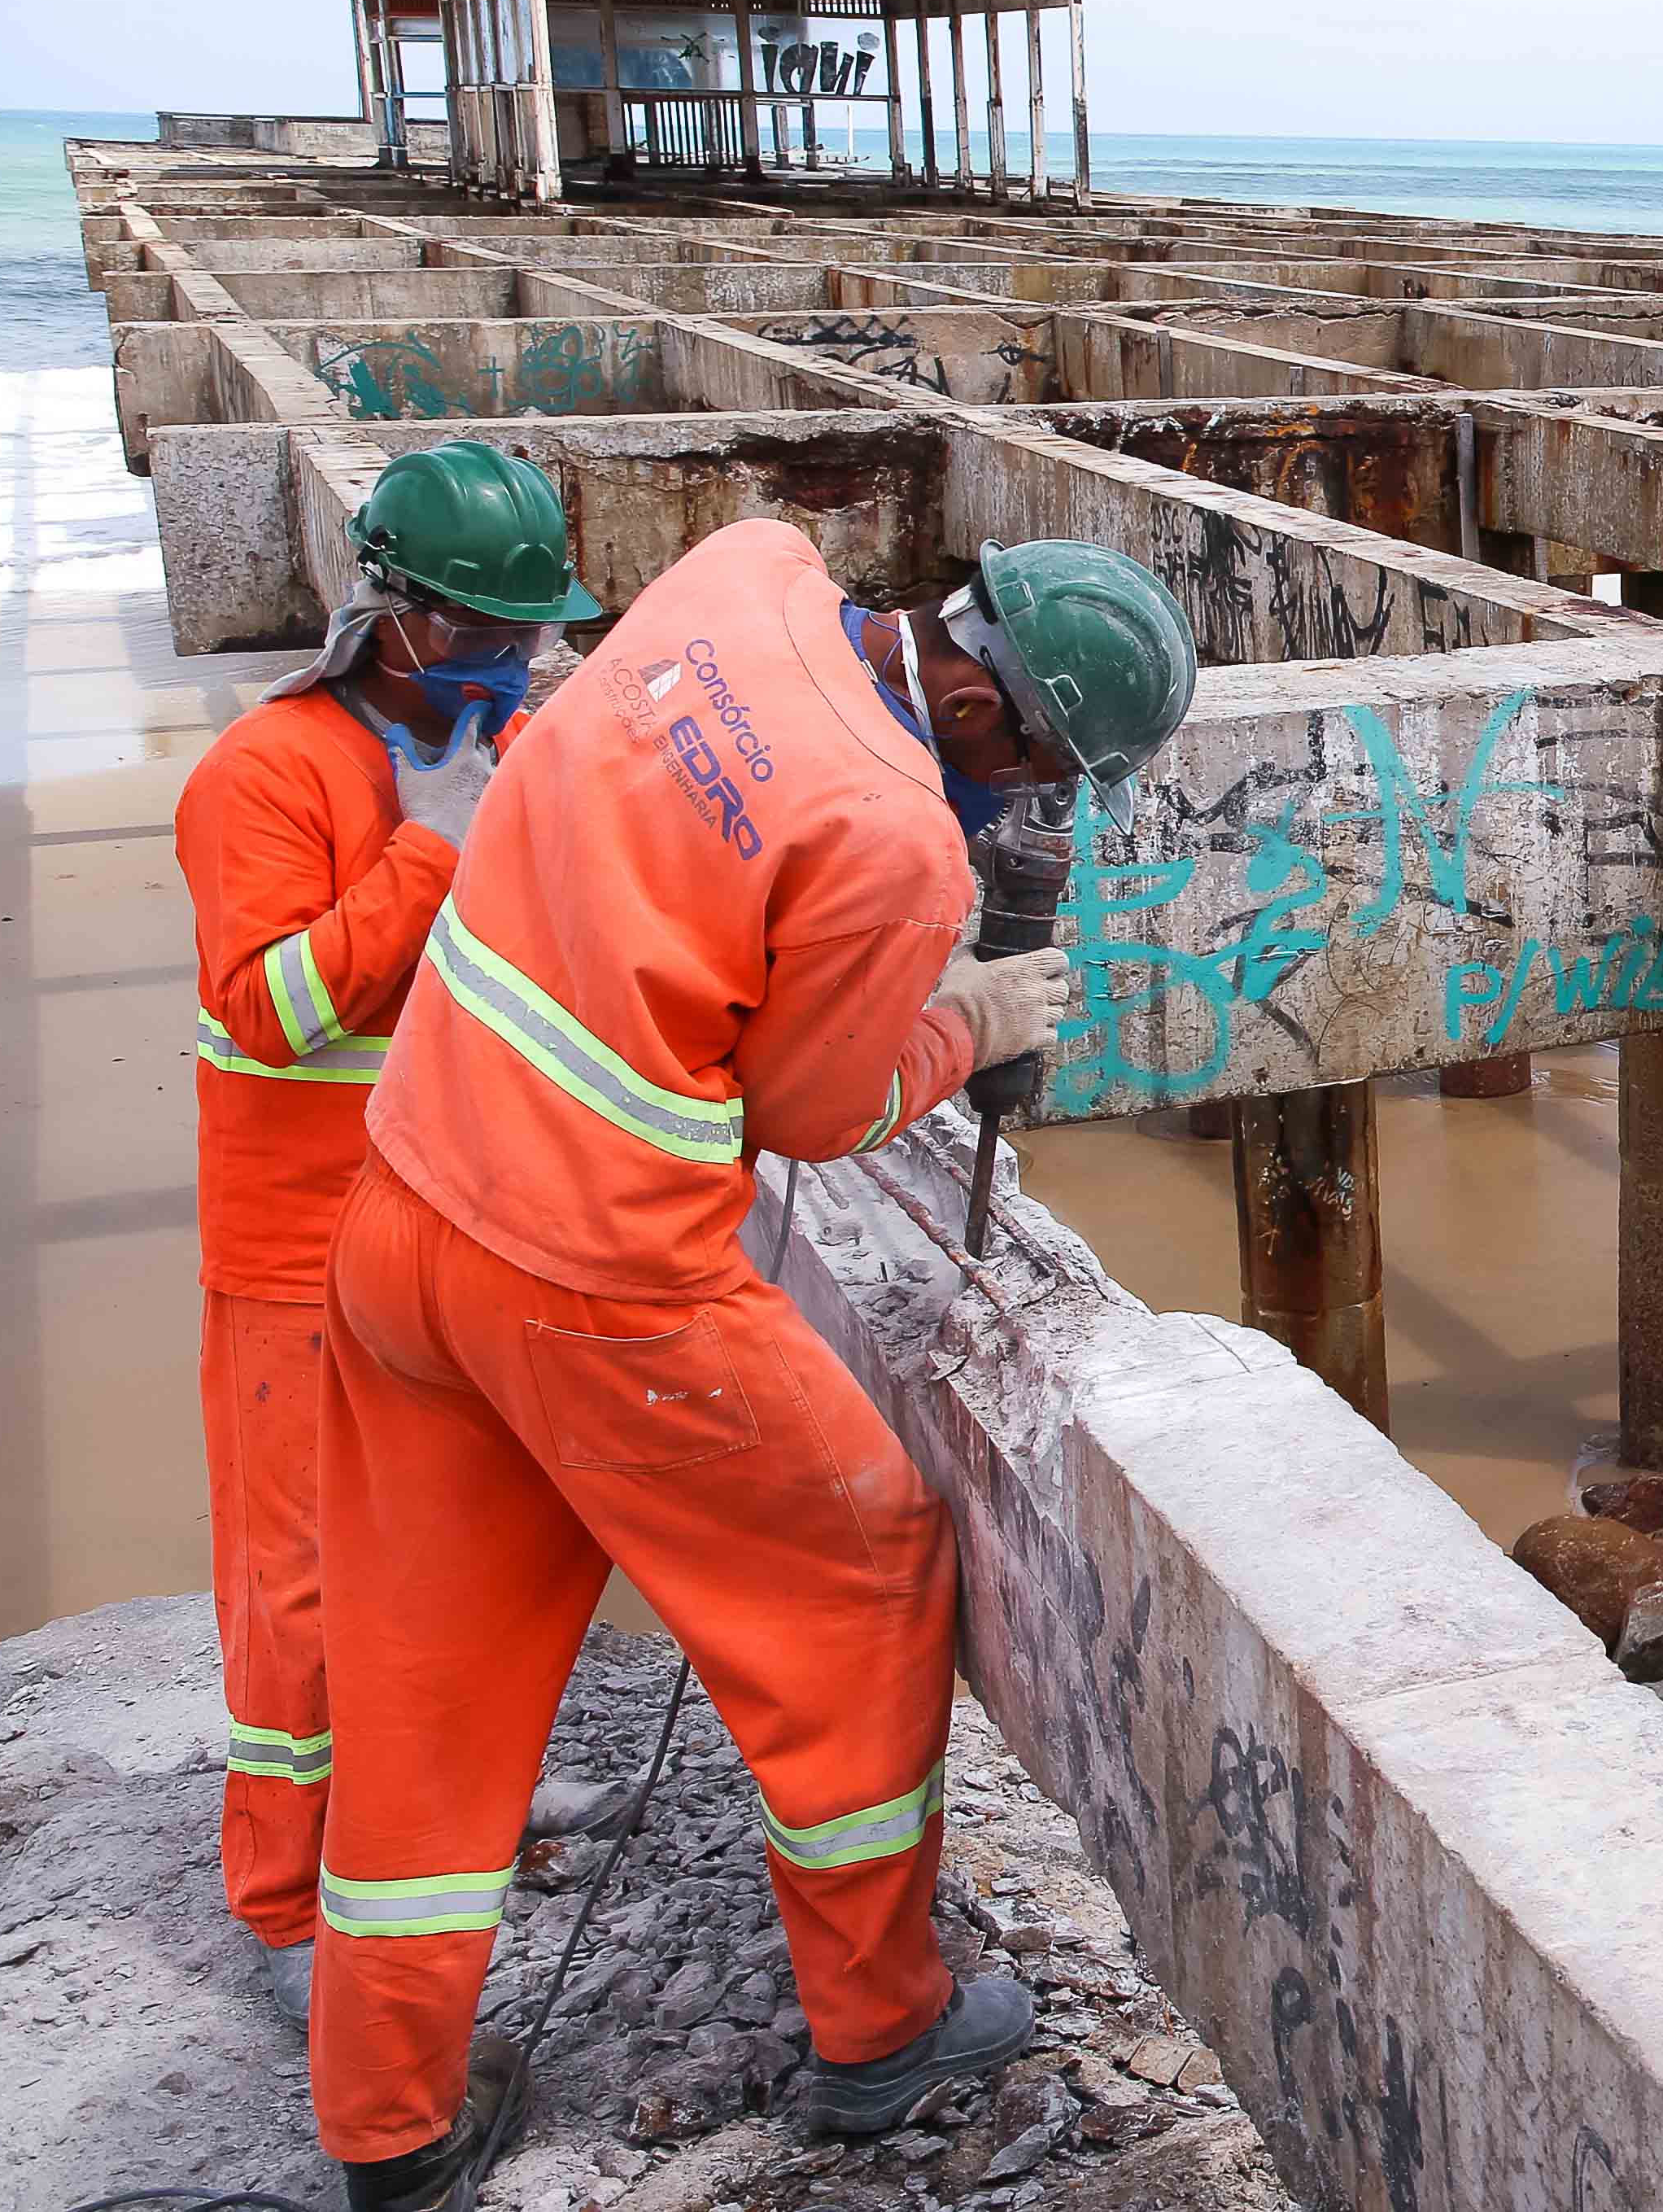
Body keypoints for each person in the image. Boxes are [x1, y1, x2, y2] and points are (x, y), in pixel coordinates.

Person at [309, 522, 1196, 2210]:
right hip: (597, 1285)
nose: (1027, 808)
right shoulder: (894, 837)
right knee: (862, 1568)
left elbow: (712, 856)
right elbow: (806, 1106)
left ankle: (388, 2117)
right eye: (1037, 771)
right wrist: (971, 1019)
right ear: (980, 708)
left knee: (432, 1678)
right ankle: (882, 2022)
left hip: (409, 1199)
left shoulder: (745, 571)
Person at [174, 442, 601, 2025]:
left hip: (455, 1234)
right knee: (296, 1587)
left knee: (462, 1555)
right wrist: (432, 846)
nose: (511, 663)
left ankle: (461, 1817)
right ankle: (289, 1903)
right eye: (482, 633)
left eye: (528, 636)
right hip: (296, 1252)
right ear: (396, 613)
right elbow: (269, 1008)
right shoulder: (267, 775)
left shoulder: (503, 749)